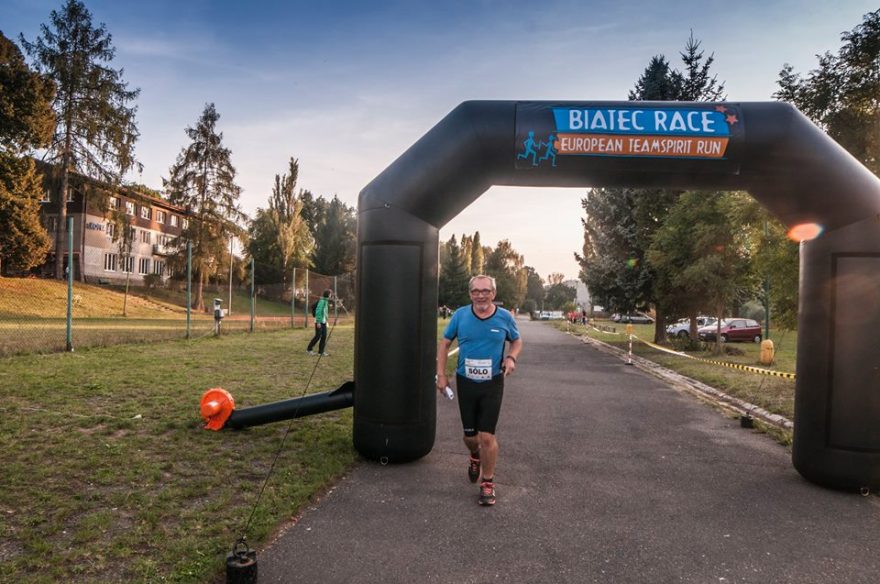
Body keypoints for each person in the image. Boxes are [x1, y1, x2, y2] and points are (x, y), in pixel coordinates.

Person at [436, 275, 523, 506]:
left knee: (487, 436)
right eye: (476, 291)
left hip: (492, 382)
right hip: (466, 382)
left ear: (493, 293)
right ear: (470, 294)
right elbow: (445, 343)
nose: (480, 295)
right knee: (470, 437)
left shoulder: (504, 317)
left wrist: (511, 358)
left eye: (485, 291)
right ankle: (474, 456)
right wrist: (442, 375)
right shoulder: (461, 315)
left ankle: (487, 482)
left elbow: (516, 341)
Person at [307, 289, 332, 356]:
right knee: (318, 336)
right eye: (330, 294)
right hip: (319, 322)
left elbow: (325, 312)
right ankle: (309, 349)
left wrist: (326, 321)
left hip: (323, 322)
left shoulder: (325, 301)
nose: (331, 295)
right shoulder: (322, 301)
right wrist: (318, 322)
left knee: (324, 336)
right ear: (328, 294)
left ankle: (321, 352)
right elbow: (318, 311)